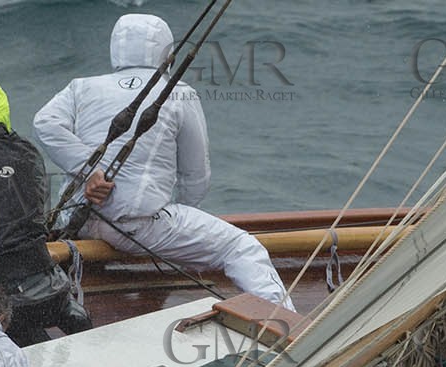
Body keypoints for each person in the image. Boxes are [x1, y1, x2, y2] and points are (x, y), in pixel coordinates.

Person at [33, 14, 292, 309]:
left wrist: (89, 169)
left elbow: (45, 123)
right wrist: (176, 221)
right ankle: (285, 324)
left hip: (77, 221)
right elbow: (196, 178)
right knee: (242, 247)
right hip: (138, 227)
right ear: (167, 53)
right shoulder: (181, 94)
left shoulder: (80, 87)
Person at [0, 78, 93, 346]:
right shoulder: (29, 151)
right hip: (46, 280)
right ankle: (72, 314)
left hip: (1, 292)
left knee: (24, 334)